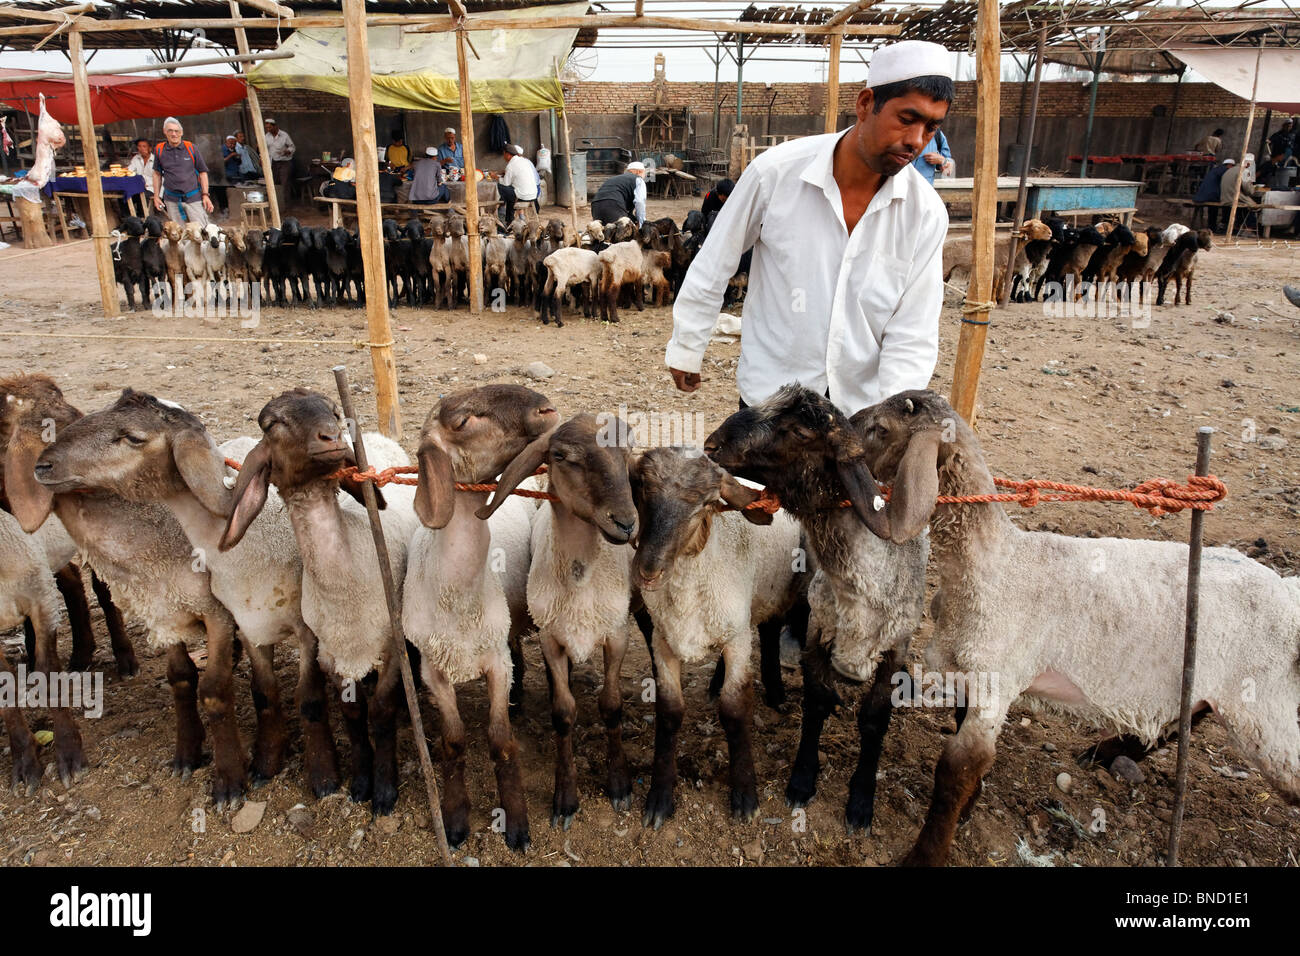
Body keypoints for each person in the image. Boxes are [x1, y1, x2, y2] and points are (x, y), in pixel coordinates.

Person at [666, 39, 953, 412]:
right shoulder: (776, 174)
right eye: (906, 119)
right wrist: (688, 345)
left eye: (931, 127)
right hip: (770, 404)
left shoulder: (925, 212)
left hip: (857, 412)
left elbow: (913, 329)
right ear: (866, 104)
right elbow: (716, 259)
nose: (916, 140)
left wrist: (891, 417)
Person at [151, 117, 213, 226]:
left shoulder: (191, 148)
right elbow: (157, 174)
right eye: (170, 131)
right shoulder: (159, 150)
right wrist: (156, 196)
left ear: (181, 133)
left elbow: (203, 173)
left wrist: (205, 195)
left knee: (200, 231)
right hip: (171, 200)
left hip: (193, 198)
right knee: (178, 234)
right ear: (165, 132)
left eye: (177, 131)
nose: (174, 134)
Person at [591, 160, 647, 225]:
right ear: (639, 171)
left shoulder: (615, 178)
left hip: (595, 206)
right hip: (613, 205)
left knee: (604, 232)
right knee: (623, 232)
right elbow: (640, 202)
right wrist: (642, 223)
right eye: (644, 173)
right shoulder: (638, 179)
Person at [497, 144, 539, 222]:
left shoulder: (510, 165)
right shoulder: (524, 161)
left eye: (504, 154)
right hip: (533, 194)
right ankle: (517, 217)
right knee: (509, 193)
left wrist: (496, 177)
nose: (503, 157)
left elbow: (506, 183)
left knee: (501, 187)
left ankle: (507, 217)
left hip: (523, 196)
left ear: (508, 154)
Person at [1193, 157, 1233, 232]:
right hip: (1211, 195)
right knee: (1227, 204)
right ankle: (1220, 225)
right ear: (1230, 165)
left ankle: (1212, 226)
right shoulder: (1225, 171)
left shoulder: (1215, 169)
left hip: (1202, 195)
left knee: (1214, 207)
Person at [263, 117, 295, 211]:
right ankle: (276, 205)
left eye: (270, 127)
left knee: (285, 184)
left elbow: (292, 147)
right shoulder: (266, 136)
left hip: (285, 162)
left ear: (275, 126)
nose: (268, 130)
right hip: (273, 162)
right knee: (274, 183)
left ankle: (286, 206)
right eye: (267, 128)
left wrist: (288, 151)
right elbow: (264, 149)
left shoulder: (284, 135)